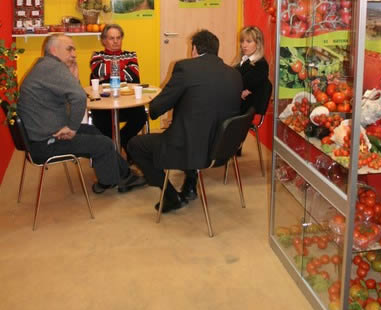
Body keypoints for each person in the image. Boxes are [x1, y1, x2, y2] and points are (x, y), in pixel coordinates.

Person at [127, 29, 243, 213]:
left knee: (135, 145)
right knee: (193, 129)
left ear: (194, 49)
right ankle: (190, 186)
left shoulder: (186, 68)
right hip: (222, 149)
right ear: (216, 50)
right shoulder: (234, 74)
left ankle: (171, 197)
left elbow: (156, 109)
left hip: (191, 149)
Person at [17, 34, 147, 195]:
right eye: (69, 49)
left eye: (74, 50)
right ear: (54, 50)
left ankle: (123, 174)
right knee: (104, 143)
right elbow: (79, 98)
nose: (74, 54)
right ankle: (110, 182)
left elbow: (72, 96)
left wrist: (74, 78)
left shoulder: (45, 66)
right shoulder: (52, 67)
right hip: (45, 143)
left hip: (43, 134)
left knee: (93, 131)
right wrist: (72, 128)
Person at [89, 24, 147, 151]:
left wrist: (108, 71)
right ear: (104, 40)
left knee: (141, 115)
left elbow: (132, 75)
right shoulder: (96, 55)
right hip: (104, 104)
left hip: (128, 103)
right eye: (111, 38)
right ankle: (112, 150)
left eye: (118, 38)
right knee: (101, 120)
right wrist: (122, 68)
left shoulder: (131, 54)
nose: (115, 41)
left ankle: (122, 140)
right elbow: (99, 71)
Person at [235, 26, 269, 115]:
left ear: (258, 44)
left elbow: (240, 84)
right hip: (237, 108)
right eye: (242, 41)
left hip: (242, 112)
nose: (244, 45)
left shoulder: (261, 64)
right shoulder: (243, 61)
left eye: (248, 41)